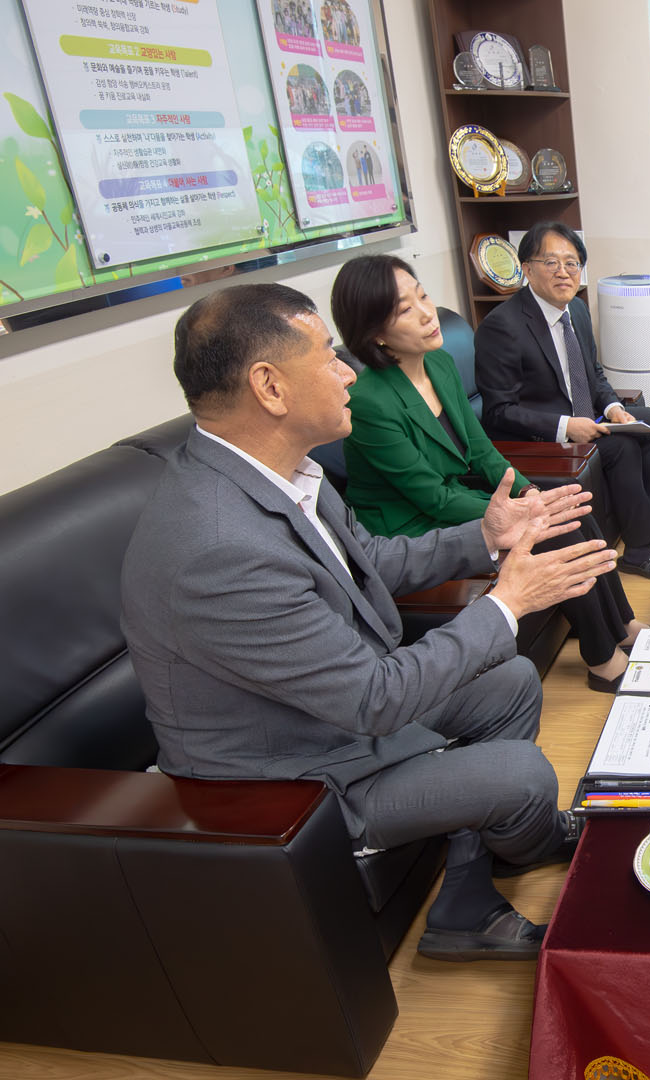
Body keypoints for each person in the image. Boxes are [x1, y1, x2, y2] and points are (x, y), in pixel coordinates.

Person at [121, 283, 621, 963]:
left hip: (331, 712)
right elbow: (372, 699)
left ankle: (483, 871)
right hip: (292, 775)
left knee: (509, 682)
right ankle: (503, 851)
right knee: (522, 773)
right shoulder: (217, 546)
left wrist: (487, 536)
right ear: (270, 386)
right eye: (328, 357)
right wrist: (508, 603)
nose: (348, 373)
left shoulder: (282, 472)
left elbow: (371, 562)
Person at [331, 254, 650, 693]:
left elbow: (481, 449)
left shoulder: (439, 364)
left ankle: (621, 624)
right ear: (375, 334)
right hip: (410, 523)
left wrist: (530, 492)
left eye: (423, 296)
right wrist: (524, 514)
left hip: (454, 495)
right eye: (406, 309)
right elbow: (431, 498)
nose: (426, 313)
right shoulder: (370, 401)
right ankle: (602, 660)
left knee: (570, 508)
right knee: (550, 530)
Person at [475, 221, 650, 579]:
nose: (563, 272)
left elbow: (594, 374)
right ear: (527, 269)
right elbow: (499, 411)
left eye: (572, 263)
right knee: (621, 447)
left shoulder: (577, 311)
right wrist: (566, 426)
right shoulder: (502, 327)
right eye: (551, 262)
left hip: (586, 417)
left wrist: (614, 408)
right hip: (542, 437)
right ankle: (637, 550)